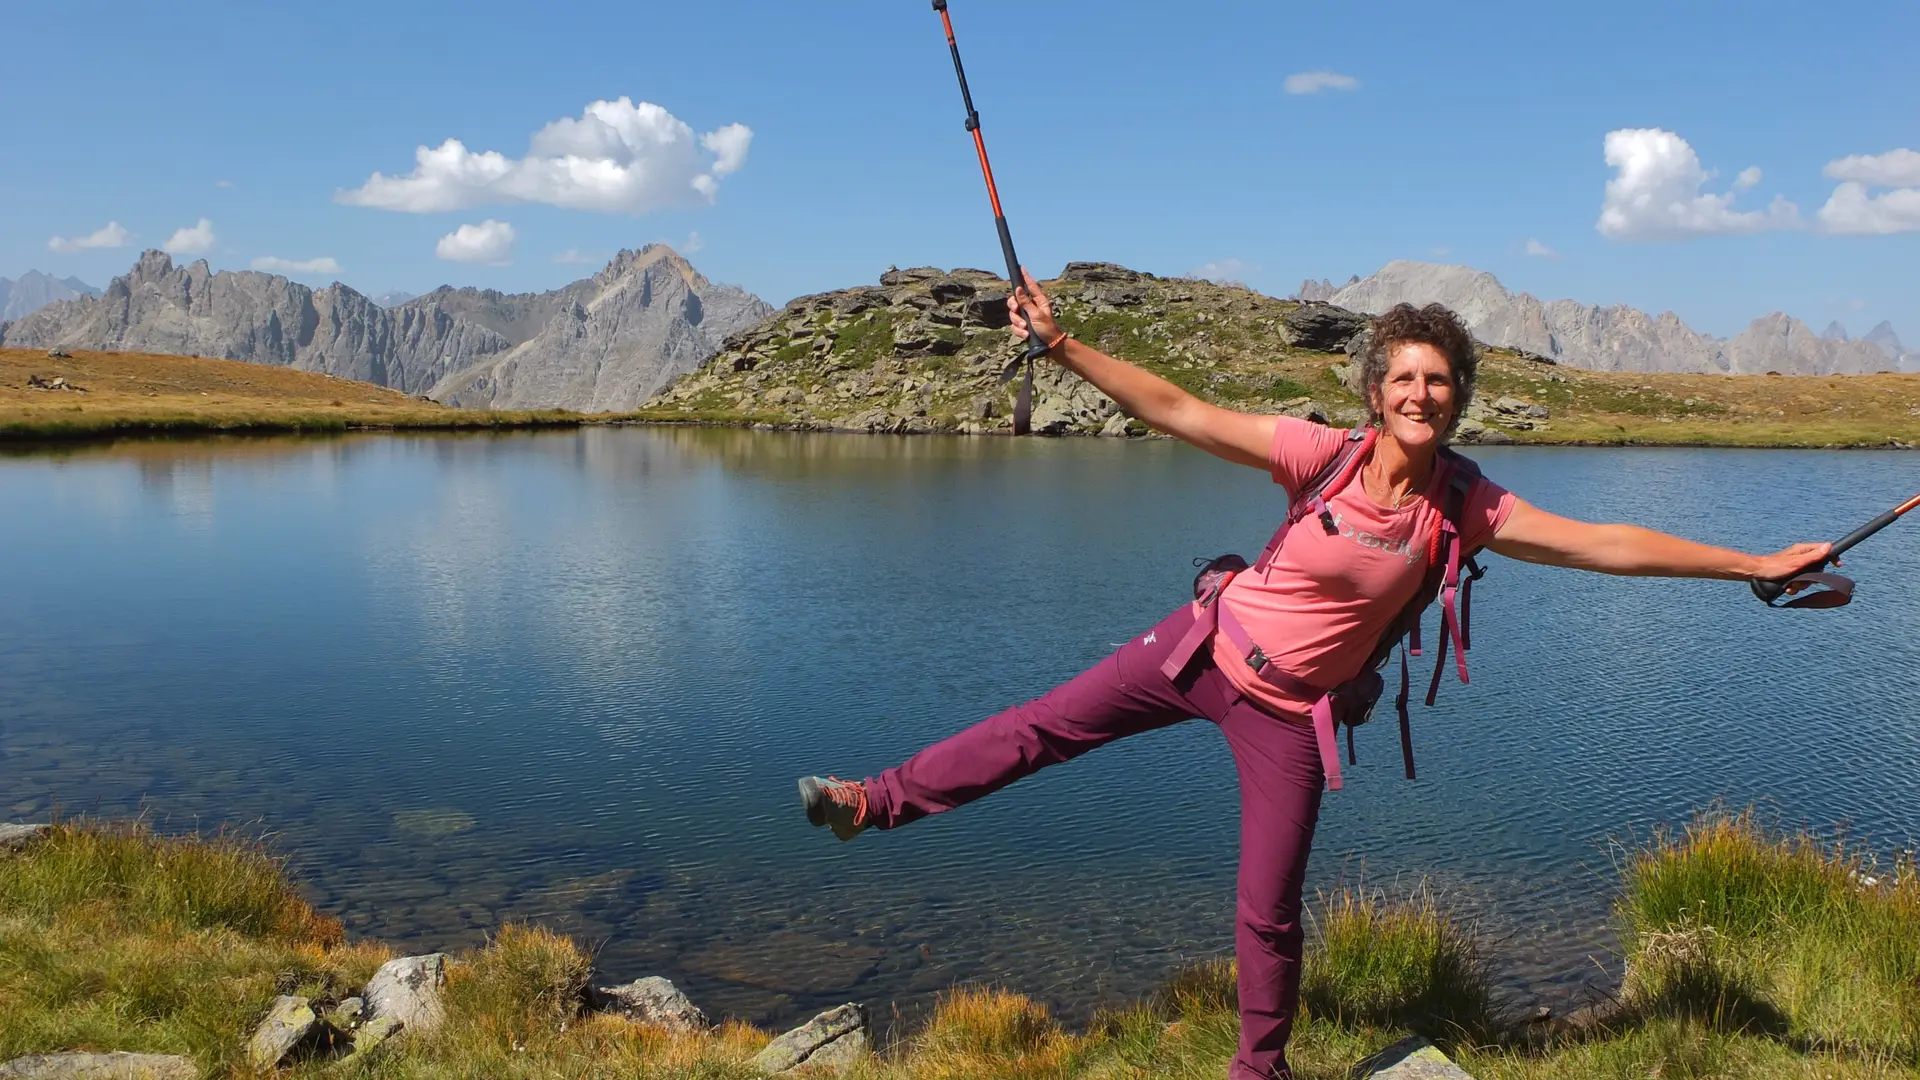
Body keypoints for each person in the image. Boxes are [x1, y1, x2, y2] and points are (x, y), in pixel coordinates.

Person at [795, 271, 1829, 1080]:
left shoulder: (1464, 505)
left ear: (1456, 396)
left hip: (1289, 718)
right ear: (1375, 394)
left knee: (1269, 909)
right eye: (1404, 379)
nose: (1422, 394)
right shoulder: (1320, 454)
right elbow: (1182, 411)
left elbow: (1601, 542)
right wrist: (1061, 345)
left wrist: (1752, 564)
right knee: (1040, 728)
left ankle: (1259, 1070)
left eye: (1439, 380)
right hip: (1200, 650)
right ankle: (870, 803)